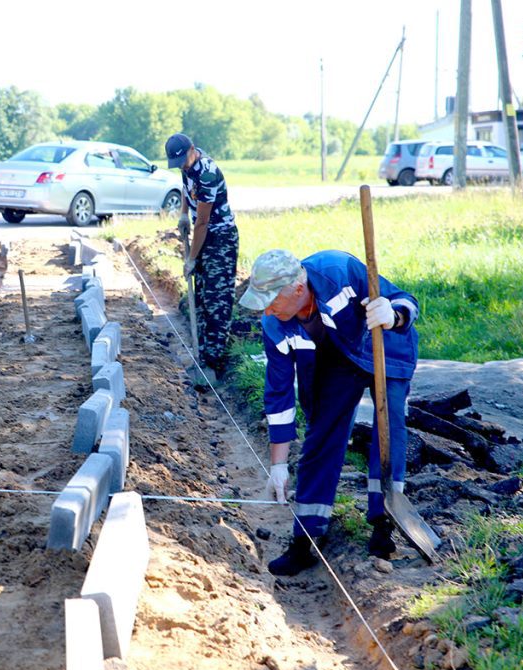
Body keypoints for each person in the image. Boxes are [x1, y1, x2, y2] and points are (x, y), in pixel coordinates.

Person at [238, 249, 419, 576]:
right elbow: (278, 395)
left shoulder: (338, 270)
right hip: (340, 360)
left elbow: (405, 301)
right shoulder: (274, 324)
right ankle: (305, 538)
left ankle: (384, 527)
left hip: (385, 347)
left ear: (296, 289)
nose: (266, 309)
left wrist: (391, 314)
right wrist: (277, 465)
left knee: (388, 429)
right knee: (321, 435)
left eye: (271, 300)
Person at [164, 133, 239, 385]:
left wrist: (192, 259)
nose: (182, 166)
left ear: (192, 150)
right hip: (204, 235)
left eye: (183, 160)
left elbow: (203, 223)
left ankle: (213, 367)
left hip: (220, 240)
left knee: (217, 303)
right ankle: (203, 358)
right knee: (202, 298)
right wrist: (184, 213)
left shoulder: (207, 173)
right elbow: (186, 187)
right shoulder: (187, 164)